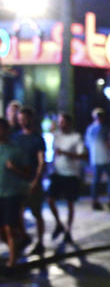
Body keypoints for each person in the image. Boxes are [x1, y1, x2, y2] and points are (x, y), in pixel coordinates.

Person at [12, 107, 48, 256]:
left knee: (36, 212)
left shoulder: (37, 138)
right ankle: (24, 238)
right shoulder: (16, 137)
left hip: (32, 180)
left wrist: (36, 180)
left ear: (30, 119)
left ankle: (40, 242)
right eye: (20, 119)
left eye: (24, 119)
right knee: (17, 212)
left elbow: (41, 161)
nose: (22, 122)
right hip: (18, 181)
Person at [47, 112, 86, 245]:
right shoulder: (56, 136)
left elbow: (82, 155)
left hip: (71, 175)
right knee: (50, 200)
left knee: (70, 203)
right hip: (57, 173)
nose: (61, 124)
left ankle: (68, 231)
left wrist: (66, 153)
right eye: (59, 122)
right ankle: (59, 224)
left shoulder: (76, 137)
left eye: (63, 122)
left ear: (69, 123)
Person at [0, 118, 31, 270]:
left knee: (9, 227)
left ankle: (12, 262)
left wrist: (14, 169)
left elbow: (27, 173)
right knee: (2, 229)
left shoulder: (15, 150)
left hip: (12, 193)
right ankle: (19, 244)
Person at [85, 108, 110, 211]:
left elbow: (87, 144)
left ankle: (96, 201)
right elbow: (108, 143)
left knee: (97, 181)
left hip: (95, 158)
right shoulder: (103, 129)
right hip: (104, 158)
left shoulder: (90, 129)